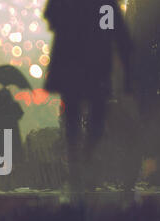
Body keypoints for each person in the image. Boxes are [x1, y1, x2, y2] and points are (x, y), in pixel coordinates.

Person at [44, 0, 132, 191]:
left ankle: (78, 168)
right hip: (96, 67)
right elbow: (119, 33)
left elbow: (52, 17)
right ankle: (86, 164)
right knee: (95, 119)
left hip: (72, 66)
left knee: (73, 120)